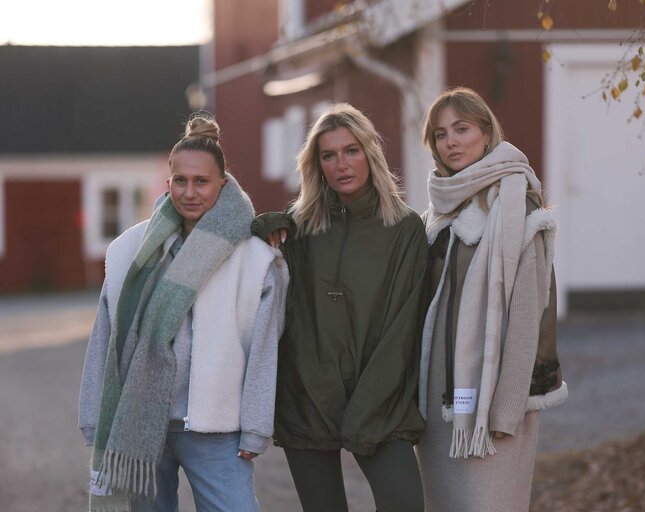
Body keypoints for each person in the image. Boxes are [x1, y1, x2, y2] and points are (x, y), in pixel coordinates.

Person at [78, 113, 288, 512]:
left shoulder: (255, 258)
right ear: (168, 180)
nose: (190, 192)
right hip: (138, 427)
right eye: (181, 181)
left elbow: (265, 349)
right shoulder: (130, 251)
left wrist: (256, 429)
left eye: (202, 182)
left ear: (222, 185)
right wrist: (93, 419)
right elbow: (104, 336)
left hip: (216, 429)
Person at [252, 103, 427, 512]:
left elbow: (404, 329)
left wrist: (367, 407)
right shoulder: (296, 229)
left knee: (405, 505)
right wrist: (258, 233)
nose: (341, 165)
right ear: (316, 164)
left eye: (351, 151)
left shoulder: (404, 228)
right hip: (308, 399)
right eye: (328, 155)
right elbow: (269, 299)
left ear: (370, 153)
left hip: (380, 402)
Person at [417, 87, 568, 512]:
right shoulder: (437, 213)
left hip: (495, 397)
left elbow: (529, 320)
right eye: (441, 133)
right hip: (438, 394)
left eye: (461, 129)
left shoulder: (518, 208)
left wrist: (505, 410)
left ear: (486, 133)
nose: (451, 141)